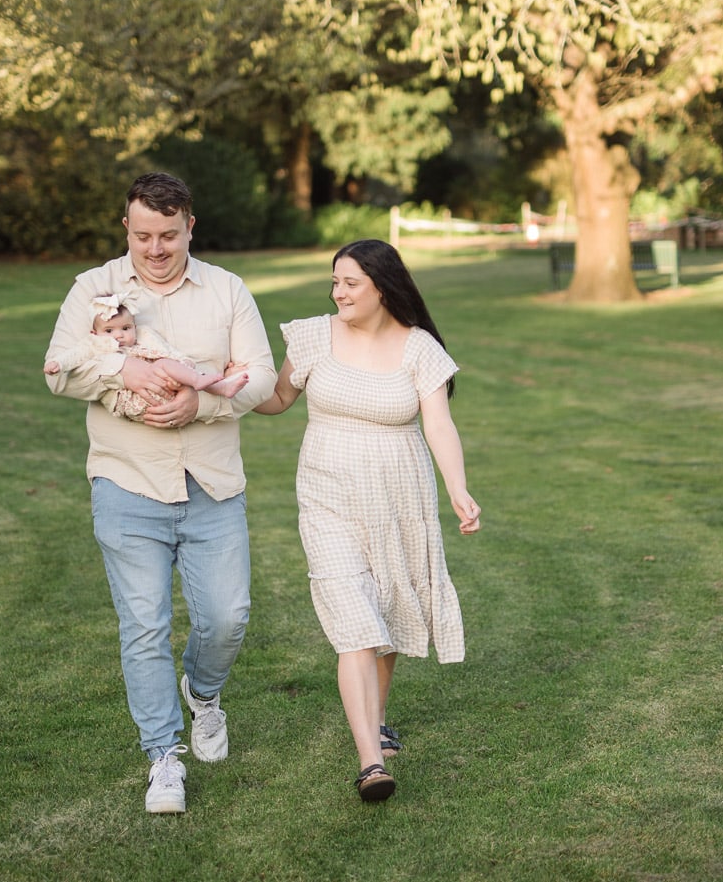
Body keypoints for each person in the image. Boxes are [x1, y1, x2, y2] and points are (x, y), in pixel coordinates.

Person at [43, 172, 276, 814]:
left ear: (190, 228)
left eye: (168, 235)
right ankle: (162, 758)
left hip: (212, 484)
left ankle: (203, 693)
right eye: (143, 235)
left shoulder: (227, 291)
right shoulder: (92, 291)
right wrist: (127, 366)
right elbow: (59, 370)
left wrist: (199, 402)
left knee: (228, 617)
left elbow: (258, 379)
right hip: (126, 482)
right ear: (126, 228)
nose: (155, 248)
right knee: (144, 626)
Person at [254, 238, 481, 802]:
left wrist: (458, 489)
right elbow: (277, 397)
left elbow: (440, 426)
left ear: (382, 286)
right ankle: (370, 761)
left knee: (389, 610)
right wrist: (218, 385)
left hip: (399, 497)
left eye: (349, 283)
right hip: (327, 496)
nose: (338, 293)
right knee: (353, 617)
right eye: (334, 282)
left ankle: (374, 721)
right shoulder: (312, 336)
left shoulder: (418, 348)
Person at [44, 289, 250, 419]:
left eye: (126, 328)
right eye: (109, 331)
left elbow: (166, 351)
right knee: (165, 366)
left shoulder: (143, 335)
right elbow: (75, 355)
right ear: (95, 333)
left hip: (165, 390)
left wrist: (183, 362)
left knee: (169, 365)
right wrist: (58, 364)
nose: (119, 336)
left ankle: (221, 387)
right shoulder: (94, 344)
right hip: (133, 400)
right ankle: (203, 382)